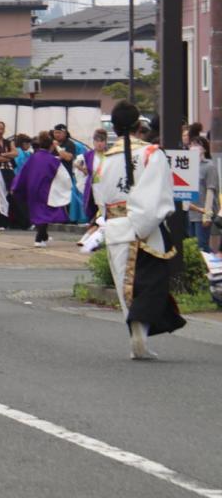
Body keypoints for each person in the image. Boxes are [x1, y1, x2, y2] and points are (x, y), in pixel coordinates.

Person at [91, 100, 185, 359]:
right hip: (145, 228)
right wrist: (141, 224)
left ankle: (138, 335)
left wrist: (108, 223)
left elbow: (100, 197)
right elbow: (158, 193)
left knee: (127, 285)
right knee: (151, 283)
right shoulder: (151, 153)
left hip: (116, 227)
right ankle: (139, 335)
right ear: (138, 125)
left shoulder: (103, 160)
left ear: (114, 127)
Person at [10, 131, 69, 247]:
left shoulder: (33, 158)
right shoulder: (52, 159)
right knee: (44, 213)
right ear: (51, 146)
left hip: (32, 189)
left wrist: (15, 186)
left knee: (37, 213)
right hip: (46, 190)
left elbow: (23, 173)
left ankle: (44, 236)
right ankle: (38, 238)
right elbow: (63, 176)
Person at [75, 129, 109, 248]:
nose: (99, 143)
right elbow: (77, 163)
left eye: (102, 141)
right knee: (96, 215)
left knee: (102, 216)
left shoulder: (110, 155)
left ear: (106, 142)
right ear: (93, 142)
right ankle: (89, 239)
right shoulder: (88, 155)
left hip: (106, 189)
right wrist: (83, 169)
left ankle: (88, 239)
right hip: (92, 189)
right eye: (97, 141)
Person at [52, 124, 87, 223]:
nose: (57, 135)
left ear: (65, 133)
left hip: (67, 176)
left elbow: (68, 157)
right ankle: (57, 218)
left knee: (67, 197)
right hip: (55, 175)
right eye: (55, 132)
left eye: (59, 132)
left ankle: (69, 219)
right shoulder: (52, 144)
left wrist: (57, 147)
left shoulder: (69, 144)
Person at [186, 136, 217, 249]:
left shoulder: (209, 166)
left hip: (202, 213)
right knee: (191, 247)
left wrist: (207, 215)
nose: (193, 147)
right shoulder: (186, 165)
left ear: (204, 149)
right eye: (191, 144)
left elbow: (211, 190)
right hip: (189, 212)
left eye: (197, 145)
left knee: (201, 246)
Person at [11, 134, 33, 229]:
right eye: (27, 143)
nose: (29, 146)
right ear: (23, 143)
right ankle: (25, 223)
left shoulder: (26, 153)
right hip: (19, 180)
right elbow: (18, 166)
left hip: (22, 180)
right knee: (21, 204)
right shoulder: (19, 152)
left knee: (21, 203)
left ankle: (24, 223)